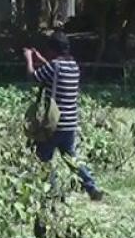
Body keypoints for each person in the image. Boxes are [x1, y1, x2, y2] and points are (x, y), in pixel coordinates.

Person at [23, 31, 103, 201]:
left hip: (53, 124)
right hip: (70, 123)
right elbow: (54, 73)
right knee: (71, 158)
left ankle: (52, 191)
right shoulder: (73, 66)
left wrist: (29, 58)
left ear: (52, 49)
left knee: (43, 160)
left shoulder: (53, 67)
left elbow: (33, 76)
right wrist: (43, 59)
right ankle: (91, 186)